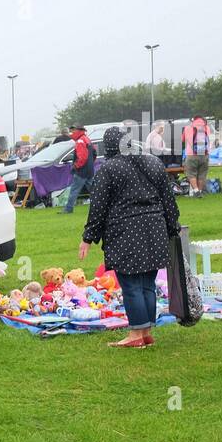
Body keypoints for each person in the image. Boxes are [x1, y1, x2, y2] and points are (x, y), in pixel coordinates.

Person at [78, 126, 180, 349]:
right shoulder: (153, 162)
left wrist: (88, 237)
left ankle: (136, 334)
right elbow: (169, 200)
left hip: (125, 231)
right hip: (155, 229)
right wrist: (173, 228)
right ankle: (146, 332)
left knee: (131, 284)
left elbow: (98, 207)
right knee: (147, 284)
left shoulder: (109, 169)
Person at [61, 126, 96, 213]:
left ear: (77, 131)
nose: (71, 133)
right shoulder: (87, 139)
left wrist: (76, 166)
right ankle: (102, 205)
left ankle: (68, 209)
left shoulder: (80, 141)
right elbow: (94, 153)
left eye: (72, 131)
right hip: (90, 169)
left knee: (74, 190)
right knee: (94, 190)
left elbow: (82, 157)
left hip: (82, 170)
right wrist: (90, 163)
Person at [181, 115, 210, 196]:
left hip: (192, 154)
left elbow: (182, 139)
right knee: (202, 174)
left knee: (191, 173)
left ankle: (196, 191)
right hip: (205, 154)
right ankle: (200, 192)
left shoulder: (188, 128)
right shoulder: (206, 127)